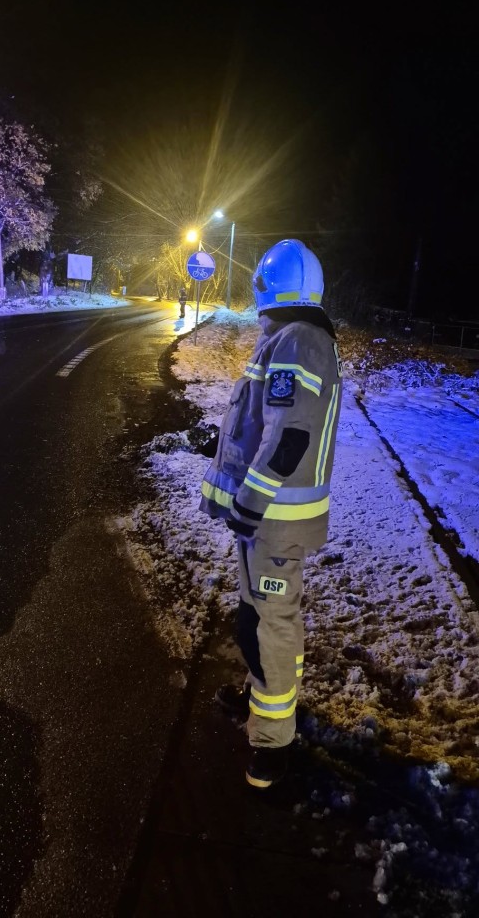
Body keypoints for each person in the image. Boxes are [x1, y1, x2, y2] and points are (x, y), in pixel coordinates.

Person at [199, 239, 343, 788]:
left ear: (268, 283)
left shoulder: (298, 341)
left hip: (274, 521)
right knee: (256, 618)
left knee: (272, 625)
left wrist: (249, 504)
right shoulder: (292, 338)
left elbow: (290, 438)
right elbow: (269, 428)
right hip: (268, 519)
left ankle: (272, 745)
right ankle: (263, 697)